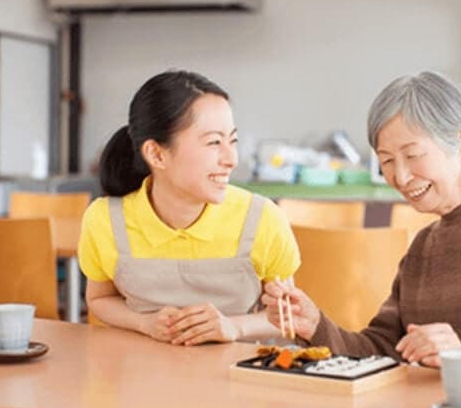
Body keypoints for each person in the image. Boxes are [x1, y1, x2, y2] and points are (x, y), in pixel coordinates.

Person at [263, 71, 461, 408]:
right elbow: (385, 349)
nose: (400, 177)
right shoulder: (424, 245)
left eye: (413, 154)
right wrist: (316, 324)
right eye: (387, 161)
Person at [78, 70, 300, 345]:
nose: (231, 159)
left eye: (232, 140)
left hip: (233, 380)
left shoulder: (262, 218)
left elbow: (288, 316)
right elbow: (99, 299)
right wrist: (144, 323)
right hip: (139, 376)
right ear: (157, 154)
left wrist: (233, 327)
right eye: (214, 142)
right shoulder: (105, 219)